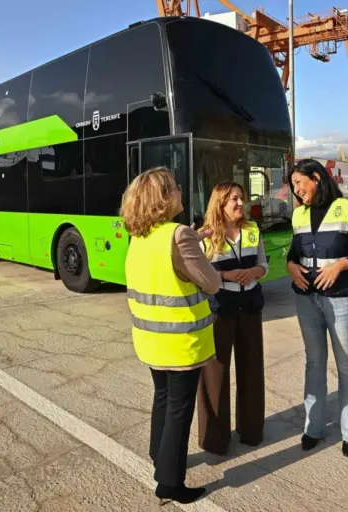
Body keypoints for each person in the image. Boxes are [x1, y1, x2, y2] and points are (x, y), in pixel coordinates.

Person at [120, 167, 221, 505]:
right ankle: (169, 483)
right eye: (176, 187)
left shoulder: (140, 236)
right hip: (181, 342)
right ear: (165, 198)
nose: (181, 190)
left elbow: (166, 269)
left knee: (162, 399)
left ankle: (157, 455)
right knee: (180, 409)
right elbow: (212, 283)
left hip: (150, 337)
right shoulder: (179, 235)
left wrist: (194, 239)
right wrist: (196, 245)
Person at [285, 158, 348, 457]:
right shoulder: (298, 215)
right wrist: (290, 266)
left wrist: (340, 265)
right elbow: (293, 252)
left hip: (341, 299)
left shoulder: (345, 209)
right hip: (306, 299)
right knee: (314, 362)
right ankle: (313, 428)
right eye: (293, 185)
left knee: (347, 364)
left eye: (299, 183)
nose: (296, 190)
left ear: (316, 178)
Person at [196, 182, 268, 455]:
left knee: (252, 369)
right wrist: (224, 276)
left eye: (241, 198)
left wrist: (256, 272)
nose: (241, 203)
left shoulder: (252, 231)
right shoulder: (205, 236)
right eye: (234, 199)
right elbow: (199, 275)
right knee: (215, 374)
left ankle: (251, 431)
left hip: (250, 307)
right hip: (220, 310)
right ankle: (215, 440)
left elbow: (264, 263)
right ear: (220, 204)